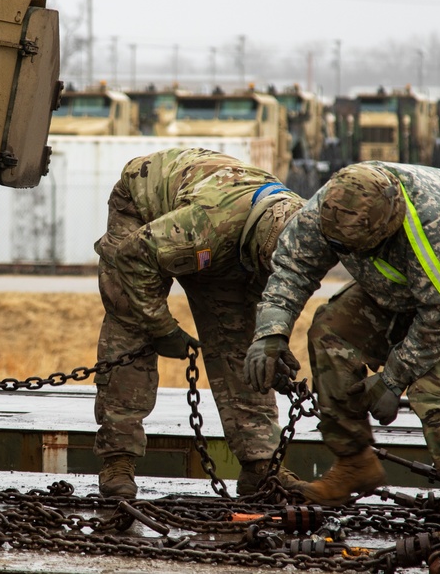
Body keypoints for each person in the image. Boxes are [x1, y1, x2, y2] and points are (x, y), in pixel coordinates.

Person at [245, 161, 440, 547]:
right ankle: (354, 461)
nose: (341, 254)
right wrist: (270, 332)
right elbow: (293, 266)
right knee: (331, 333)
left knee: (436, 389)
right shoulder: (333, 206)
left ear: (383, 230)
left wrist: (394, 377)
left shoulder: (435, 229)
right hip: (394, 283)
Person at [93, 147, 304, 499]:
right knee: (131, 324)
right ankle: (118, 460)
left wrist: (270, 339)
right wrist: (163, 328)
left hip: (224, 240)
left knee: (240, 343)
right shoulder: (202, 228)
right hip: (146, 211)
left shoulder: (297, 228)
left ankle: (260, 466)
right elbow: (133, 257)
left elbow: (269, 299)